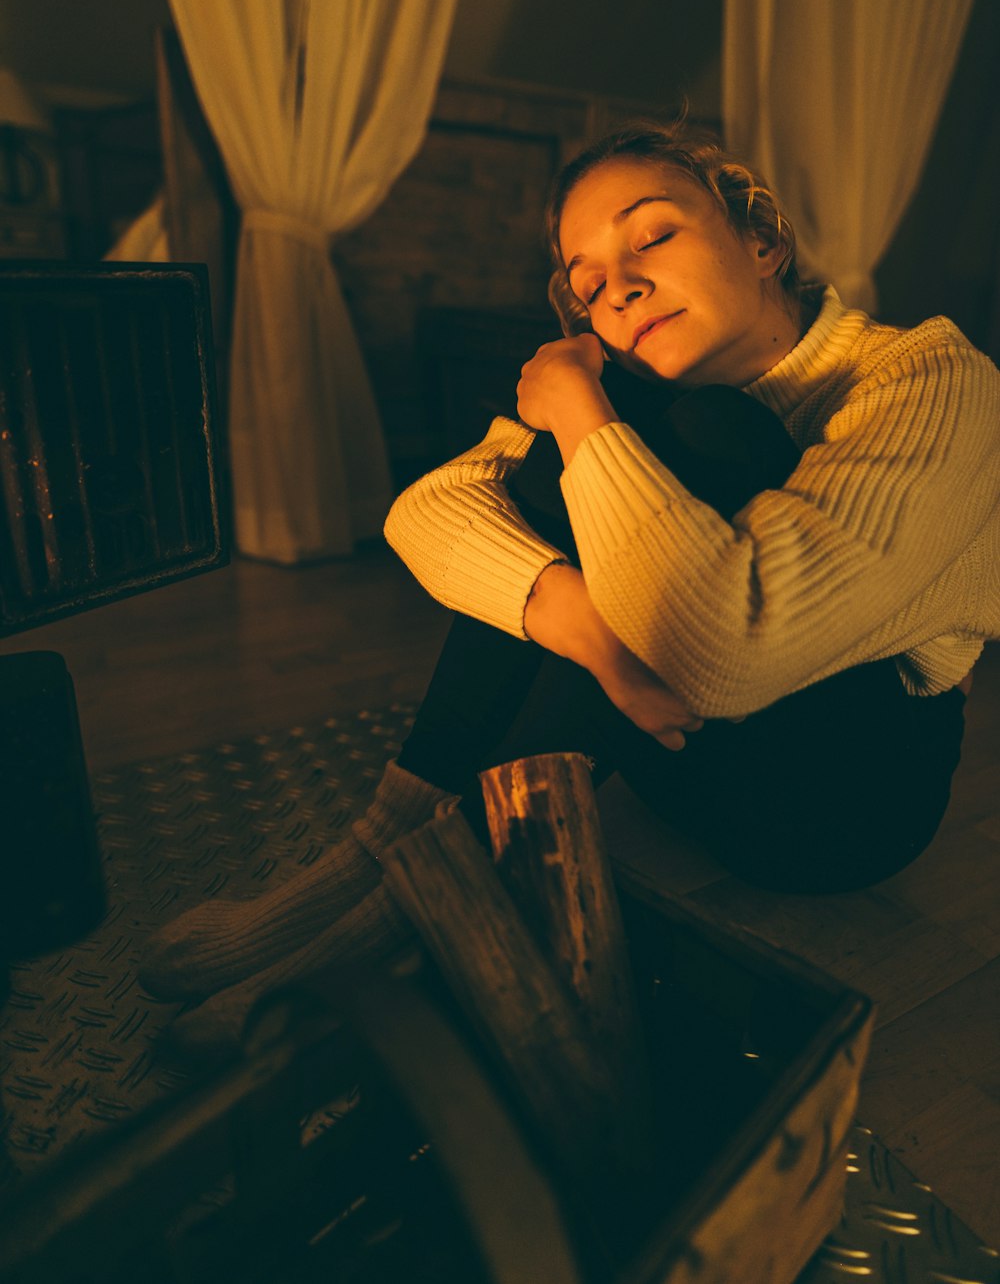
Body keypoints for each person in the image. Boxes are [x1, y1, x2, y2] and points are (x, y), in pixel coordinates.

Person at [140, 118, 1000, 1052]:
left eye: (654, 235)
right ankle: (379, 855)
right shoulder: (634, 382)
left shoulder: (931, 377)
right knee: (569, 488)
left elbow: (733, 642)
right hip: (670, 741)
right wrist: (586, 625)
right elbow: (424, 511)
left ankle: (406, 920)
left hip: (842, 804)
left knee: (711, 440)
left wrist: (579, 407)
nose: (619, 287)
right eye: (587, 284)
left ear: (763, 242)